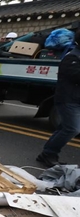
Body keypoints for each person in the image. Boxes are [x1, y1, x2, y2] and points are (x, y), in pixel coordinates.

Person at [36, 30, 80, 167]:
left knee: (64, 127)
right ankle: (49, 153)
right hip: (68, 99)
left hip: (76, 99)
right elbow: (75, 76)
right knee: (72, 129)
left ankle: (47, 153)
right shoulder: (72, 57)